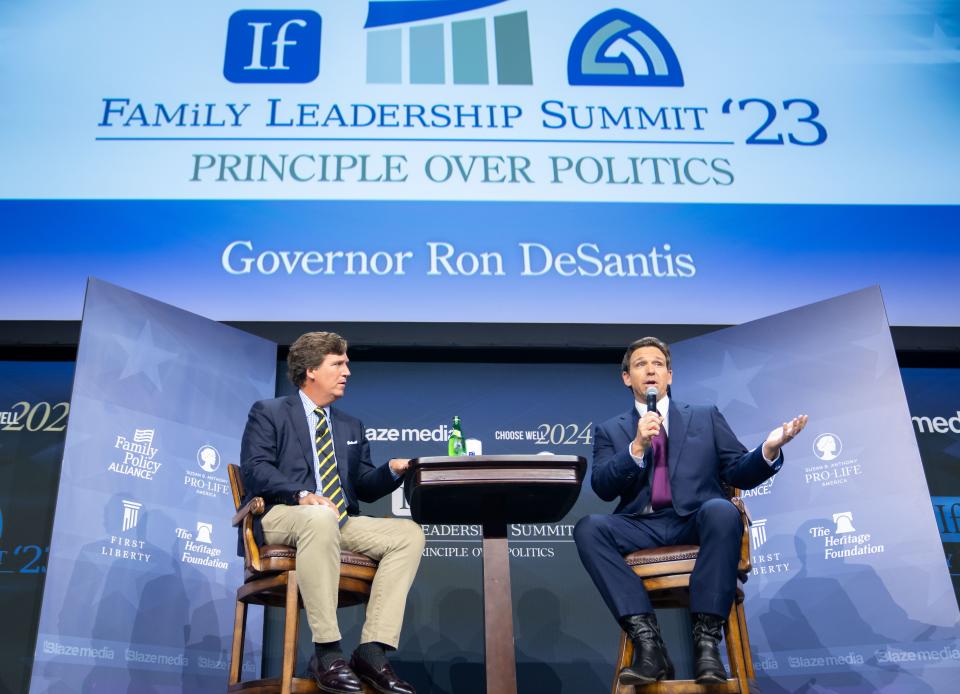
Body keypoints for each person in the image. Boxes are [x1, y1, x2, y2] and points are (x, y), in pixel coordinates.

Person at [574, 337, 807, 685]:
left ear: (669, 375)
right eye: (640, 364)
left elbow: (736, 471)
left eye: (657, 363)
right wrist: (636, 447)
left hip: (695, 521)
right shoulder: (611, 430)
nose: (650, 369)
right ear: (627, 378)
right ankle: (649, 645)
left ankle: (707, 644)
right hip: (642, 525)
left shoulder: (704, 416)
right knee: (589, 528)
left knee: (721, 509)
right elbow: (604, 487)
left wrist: (768, 450)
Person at [240, 331, 425, 694]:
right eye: (338, 364)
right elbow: (256, 468)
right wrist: (301, 493)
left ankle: (372, 650)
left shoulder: (349, 425)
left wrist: (392, 470)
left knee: (408, 534)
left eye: (347, 364)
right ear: (310, 370)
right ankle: (326, 651)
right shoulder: (270, 411)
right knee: (319, 516)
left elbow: (364, 487)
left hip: (338, 520)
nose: (347, 372)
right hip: (283, 514)